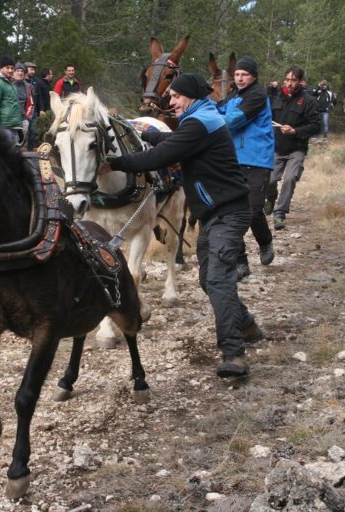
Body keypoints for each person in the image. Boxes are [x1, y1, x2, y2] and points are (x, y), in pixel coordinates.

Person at [108, 73, 264, 379]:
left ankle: (234, 355)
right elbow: (174, 143)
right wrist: (148, 132)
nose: (171, 102)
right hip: (215, 214)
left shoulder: (200, 122)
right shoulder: (201, 119)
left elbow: (159, 158)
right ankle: (246, 325)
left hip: (228, 213)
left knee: (218, 280)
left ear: (190, 96)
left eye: (176, 96)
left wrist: (114, 163)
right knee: (208, 279)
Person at [217, 55, 275, 282]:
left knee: (252, 210)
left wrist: (213, 117)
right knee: (232, 212)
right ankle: (241, 261)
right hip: (233, 161)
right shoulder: (233, 95)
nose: (240, 78)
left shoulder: (258, 95)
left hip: (257, 160)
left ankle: (265, 241)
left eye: (245, 75)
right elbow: (217, 109)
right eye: (237, 75)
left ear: (254, 76)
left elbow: (233, 120)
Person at [266, 66, 320, 230]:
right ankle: (271, 198)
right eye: (287, 80)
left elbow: (316, 126)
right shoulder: (275, 97)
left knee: (290, 179)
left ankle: (280, 213)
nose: (289, 83)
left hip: (297, 148)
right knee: (269, 180)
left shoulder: (308, 101)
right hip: (276, 148)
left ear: (301, 82)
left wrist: (295, 131)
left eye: (293, 80)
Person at [0, 56, 24, 144]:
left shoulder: (10, 83)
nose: (10, 70)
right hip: (3, 127)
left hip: (13, 127)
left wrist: (19, 127)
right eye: (7, 68)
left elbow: (13, 105)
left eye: (12, 68)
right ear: (1, 68)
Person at [12, 63, 34, 148]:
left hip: (23, 119)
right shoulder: (8, 85)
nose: (20, 73)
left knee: (21, 143)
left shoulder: (29, 87)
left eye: (22, 71)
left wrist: (27, 117)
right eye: (17, 71)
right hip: (10, 119)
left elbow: (31, 103)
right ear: (13, 73)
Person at [24, 61, 41, 150]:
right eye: (31, 69)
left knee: (33, 131)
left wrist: (41, 109)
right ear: (25, 69)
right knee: (23, 131)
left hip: (33, 111)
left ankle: (30, 150)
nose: (33, 72)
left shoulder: (36, 82)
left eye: (34, 70)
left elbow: (39, 96)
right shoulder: (20, 80)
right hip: (23, 110)